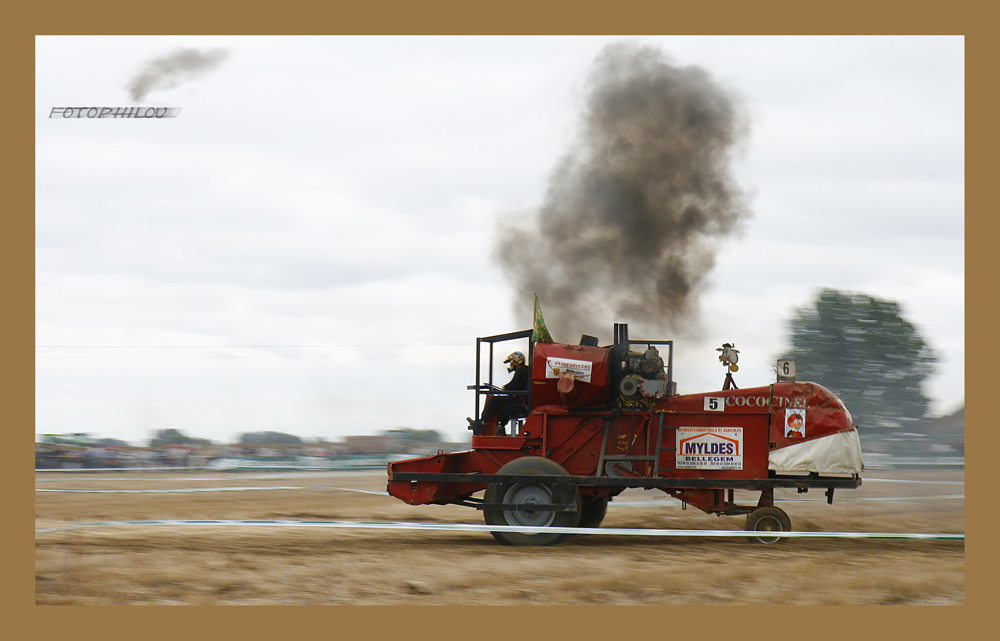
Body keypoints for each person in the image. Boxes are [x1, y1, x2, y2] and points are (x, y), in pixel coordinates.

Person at [479, 351, 530, 436]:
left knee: (494, 400)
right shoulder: (525, 370)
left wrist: (505, 387)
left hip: (522, 401)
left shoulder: (521, 370)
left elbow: (514, 385)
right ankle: (501, 428)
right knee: (504, 408)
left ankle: (483, 421)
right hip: (523, 400)